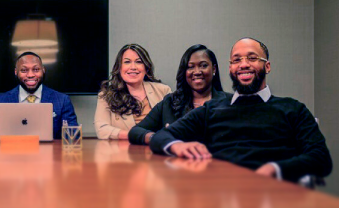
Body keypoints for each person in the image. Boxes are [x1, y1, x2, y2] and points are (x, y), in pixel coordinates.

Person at [150, 37, 333, 182]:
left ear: (267, 66)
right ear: (230, 68)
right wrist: (178, 146)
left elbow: (320, 157)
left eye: (252, 58)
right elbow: (160, 137)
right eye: (236, 60)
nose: (244, 64)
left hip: (275, 197)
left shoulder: (293, 109)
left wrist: (275, 169)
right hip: (219, 197)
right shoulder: (211, 109)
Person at [128, 44, 228, 145]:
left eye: (203, 65)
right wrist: (160, 138)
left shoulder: (230, 103)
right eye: (190, 67)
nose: (197, 72)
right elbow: (135, 131)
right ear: (184, 72)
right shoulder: (170, 102)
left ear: (214, 69)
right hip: (176, 159)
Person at [0, 51, 78, 140]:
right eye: (24, 70)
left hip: (49, 158)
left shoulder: (62, 100)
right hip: (11, 157)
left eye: (36, 69)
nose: (30, 75)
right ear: (16, 72)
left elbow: (73, 138)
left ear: (43, 70)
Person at [94, 44, 171, 140]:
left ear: (146, 68)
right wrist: (141, 136)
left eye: (138, 62)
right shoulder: (106, 95)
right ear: (119, 68)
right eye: (127, 62)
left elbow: (171, 125)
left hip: (158, 149)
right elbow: (102, 129)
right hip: (122, 152)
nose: (133, 67)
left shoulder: (163, 91)